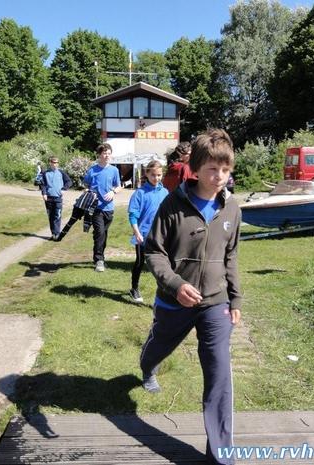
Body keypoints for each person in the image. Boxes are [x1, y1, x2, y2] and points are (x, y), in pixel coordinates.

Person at [140, 129, 242, 465]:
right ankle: (147, 364)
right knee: (159, 347)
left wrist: (235, 301)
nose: (220, 177)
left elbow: (231, 258)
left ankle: (220, 456)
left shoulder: (232, 209)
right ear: (196, 169)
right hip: (174, 302)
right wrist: (174, 285)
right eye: (213, 170)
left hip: (215, 303)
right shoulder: (173, 204)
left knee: (219, 375)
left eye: (225, 170)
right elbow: (154, 252)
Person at [127, 160, 168, 303]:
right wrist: (137, 233)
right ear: (147, 174)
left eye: (159, 175)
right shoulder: (140, 193)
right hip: (143, 235)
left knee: (162, 264)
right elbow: (133, 215)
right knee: (140, 262)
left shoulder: (164, 192)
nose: (156, 178)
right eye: (153, 175)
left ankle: (164, 291)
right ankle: (134, 289)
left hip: (161, 235)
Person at [83, 143, 121, 272]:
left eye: (109, 153)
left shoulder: (114, 170)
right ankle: (99, 260)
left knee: (102, 234)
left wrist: (113, 192)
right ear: (99, 155)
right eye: (104, 153)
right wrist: (89, 192)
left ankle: (100, 257)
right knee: (100, 232)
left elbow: (118, 186)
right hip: (95, 207)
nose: (107, 156)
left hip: (109, 208)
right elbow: (86, 185)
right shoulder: (92, 170)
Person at [40, 156, 72, 240]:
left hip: (58, 198)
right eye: (54, 162)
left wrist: (64, 189)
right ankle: (53, 234)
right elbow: (42, 184)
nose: (55, 164)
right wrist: (44, 193)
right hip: (49, 198)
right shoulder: (45, 173)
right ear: (50, 163)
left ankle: (57, 234)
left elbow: (69, 181)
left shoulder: (61, 172)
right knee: (51, 216)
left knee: (57, 215)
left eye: (57, 162)